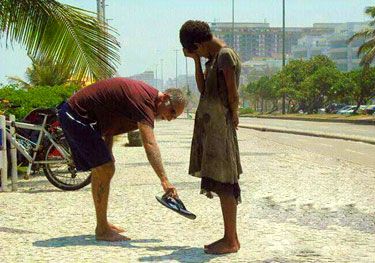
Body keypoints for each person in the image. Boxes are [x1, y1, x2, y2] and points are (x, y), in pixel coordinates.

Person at [58, 77, 187, 241]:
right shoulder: (145, 102)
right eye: (172, 112)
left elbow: (109, 121)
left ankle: (102, 224)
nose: (170, 118)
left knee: (106, 166)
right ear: (165, 98)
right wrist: (164, 180)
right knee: (105, 168)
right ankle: (102, 229)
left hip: (84, 117)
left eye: (174, 117)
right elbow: (149, 143)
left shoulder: (148, 102)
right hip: (75, 114)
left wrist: (108, 150)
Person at [180, 20, 242, 254]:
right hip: (213, 127)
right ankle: (231, 237)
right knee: (220, 180)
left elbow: (232, 93)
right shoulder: (213, 59)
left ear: (198, 43)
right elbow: (204, 90)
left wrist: (234, 114)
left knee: (225, 182)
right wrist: (197, 60)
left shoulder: (225, 55)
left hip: (220, 127)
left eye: (195, 50)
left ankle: (230, 240)